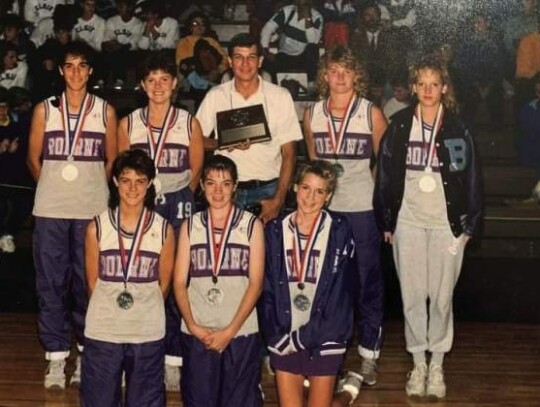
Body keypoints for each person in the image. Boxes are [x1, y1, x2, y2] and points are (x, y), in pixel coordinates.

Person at [374, 58, 482, 399]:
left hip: (446, 224)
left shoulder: (458, 128)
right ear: (413, 88)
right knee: (412, 296)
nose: (428, 90)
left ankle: (437, 365)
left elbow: (473, 179)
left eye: (434, 84)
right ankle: (418, 363)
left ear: (444, 88)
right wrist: (386, 220)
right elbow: (385, 176)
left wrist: (469, 226)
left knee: (441, 297)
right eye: (422, 84)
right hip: (407, 221)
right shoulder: (399, 125)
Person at [27, 40, 117, 389]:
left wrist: (91, 189)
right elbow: (33, 160)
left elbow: (111, 160)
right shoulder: (44, 110)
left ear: (90, 71)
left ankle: (84, 354)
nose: (76, 72)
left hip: (91, 211)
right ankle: (55, 358)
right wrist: (54, 186)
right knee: (50, 284)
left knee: (87, 285)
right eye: (70, 65)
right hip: (50, 210)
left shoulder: (105, 111)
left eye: (82, 65)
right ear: (61, 71)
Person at [302, 46, 387, 405]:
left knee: (367, 282)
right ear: (325, 75)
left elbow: (382, 166)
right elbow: (313, 163)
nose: (339, 77)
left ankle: (368, 356)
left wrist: (379, 208)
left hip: (362, 209)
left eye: (346, 71)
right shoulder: (312, 114)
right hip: (325, 212)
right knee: (324, 285)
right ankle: (323, 353)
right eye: (333, 70)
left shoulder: (372, 114)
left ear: (356, 77)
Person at [117, 50, 204, 391]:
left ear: (174, 84)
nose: (157, 86)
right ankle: (133, 357)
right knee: (139, 280)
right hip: (141, 206)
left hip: (178, 205)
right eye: (151, 80)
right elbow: (124, 171)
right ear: (142, 85)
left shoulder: (188, 122)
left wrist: (176, 196)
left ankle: (172, 361)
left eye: (164, 80)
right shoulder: (129, 123)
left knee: (176, 283)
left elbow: (195, 171)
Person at [81, 149, 174, 406]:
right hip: (104, 331)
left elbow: (163, 286)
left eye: (140, 180)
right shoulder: (96, 228)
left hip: (147, 331)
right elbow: (92, 284)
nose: (132, 188)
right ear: (115, 182)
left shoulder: (163, 229)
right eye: (126, 180)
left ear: (150, 184)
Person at [260, 160, 356, 407]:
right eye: (306, 188)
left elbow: (340, 298)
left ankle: (345, 395)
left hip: (326, 334)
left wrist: (299, 340)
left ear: (329, 196)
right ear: (294, 188)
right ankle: (345, 391)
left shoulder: (340, 230)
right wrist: (275, 335)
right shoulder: (274, 230)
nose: (311, 197)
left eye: (320, 191)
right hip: (285, 332)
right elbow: (266, 289)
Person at [174, 154, 265, 406]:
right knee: (199, 400)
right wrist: (192, 324)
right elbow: (179, 282)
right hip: (198, 331)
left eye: (225, 183)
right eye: (211, 183)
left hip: (240, 331)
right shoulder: (190, 226)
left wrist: (230, 331)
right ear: (201, 186)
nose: (218, 191)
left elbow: (256, 283)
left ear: (235, 186)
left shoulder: (251, 226)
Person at [196, 33, 302, 223]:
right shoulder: (216, 95)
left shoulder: (280, 96)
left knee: (266, 252)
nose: (245, 64)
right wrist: (222, 143)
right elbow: (195, 140)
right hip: (227, 191)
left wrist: (278, 199)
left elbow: (289, 153)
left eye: (251, 57)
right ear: (229, 61)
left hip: (268, 190)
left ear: (260, 61)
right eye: (239, 57)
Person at [260, 0, 323, 84]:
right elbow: (267, 29)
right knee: (265, 61)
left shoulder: (317, 17)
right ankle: (274, 88)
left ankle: (311, 84)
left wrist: (308, 18)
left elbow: (313, 41)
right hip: (284, 55)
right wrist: (265, 51)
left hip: (303, 57)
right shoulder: (287, 11)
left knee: (313, 48)